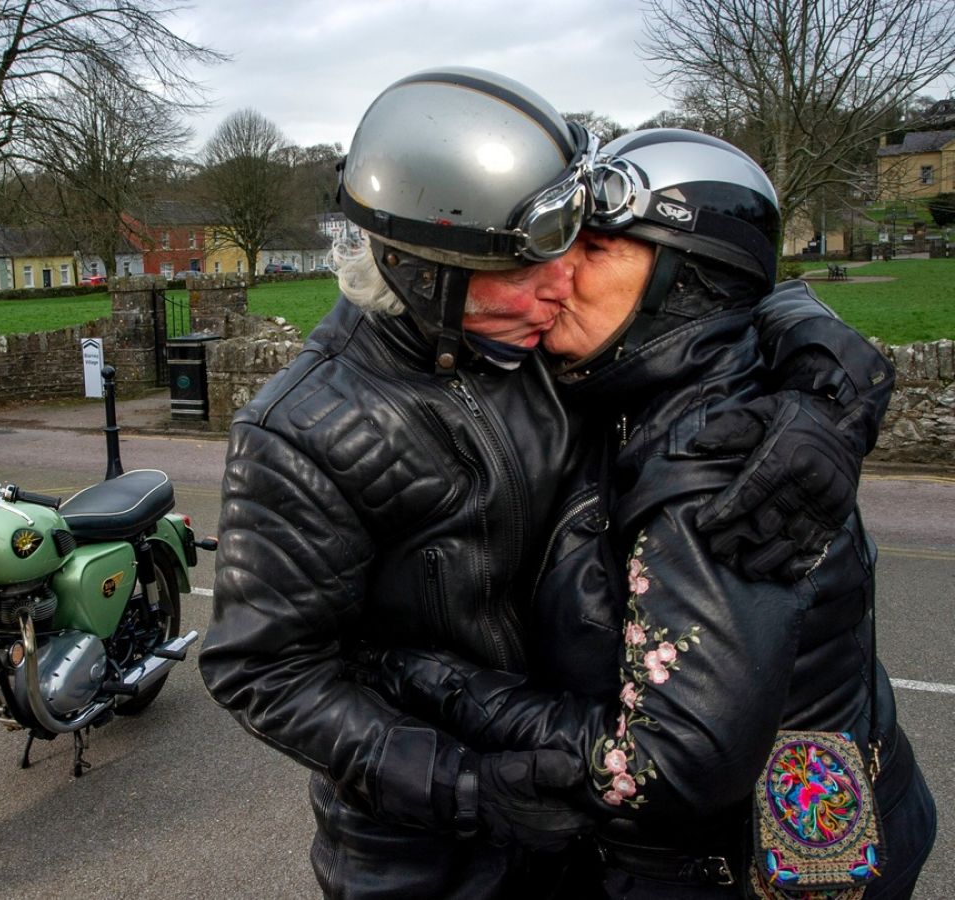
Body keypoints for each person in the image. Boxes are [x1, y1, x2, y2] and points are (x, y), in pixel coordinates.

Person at [198, 68, 895, 900]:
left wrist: (829, 376)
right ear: (435, 277)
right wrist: (462, 787)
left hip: (584, 831)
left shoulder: (540, 344)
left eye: (570, 250)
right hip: (427, 853)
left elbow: (706, 288)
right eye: (527, 266)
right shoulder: (302, 432)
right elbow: (263, 670)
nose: (560, 283)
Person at [362, 129, 936, 898]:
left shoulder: (723, 464)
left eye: (596, 251)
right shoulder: (637, 383)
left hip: (740, 871)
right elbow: (769, 292)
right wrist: (827, 360)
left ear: (685, 279)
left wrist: (432, 678)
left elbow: (666, 764)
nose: (555, 273)